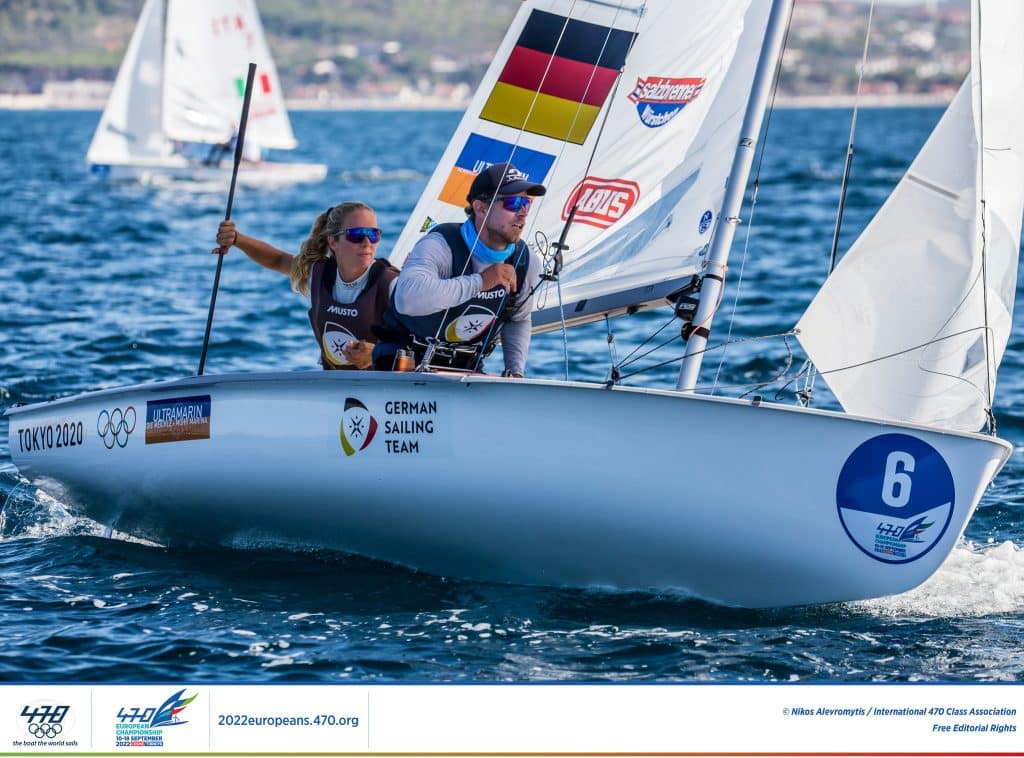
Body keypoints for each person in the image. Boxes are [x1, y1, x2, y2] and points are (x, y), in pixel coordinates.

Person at [377, 163, 545, 377]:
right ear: (481, 208)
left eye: (527, 204)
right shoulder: (439, 245)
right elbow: (406, 299)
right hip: (402, 366)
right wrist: (481, 282)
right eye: (513, 203)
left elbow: (518, 318)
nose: (522, 213)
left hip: (465, 369)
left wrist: (515, 371)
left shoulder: (526, 262)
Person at [214, 202, 398, 369]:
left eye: (373, 235)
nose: (367, 243)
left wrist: (376, 354)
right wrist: (237, 239)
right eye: (356, 235)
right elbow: (277, 260)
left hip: (389, 394)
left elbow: (424, 351)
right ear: (333, 242)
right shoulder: (321, 275)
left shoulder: (393, 285)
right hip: (338, 389)